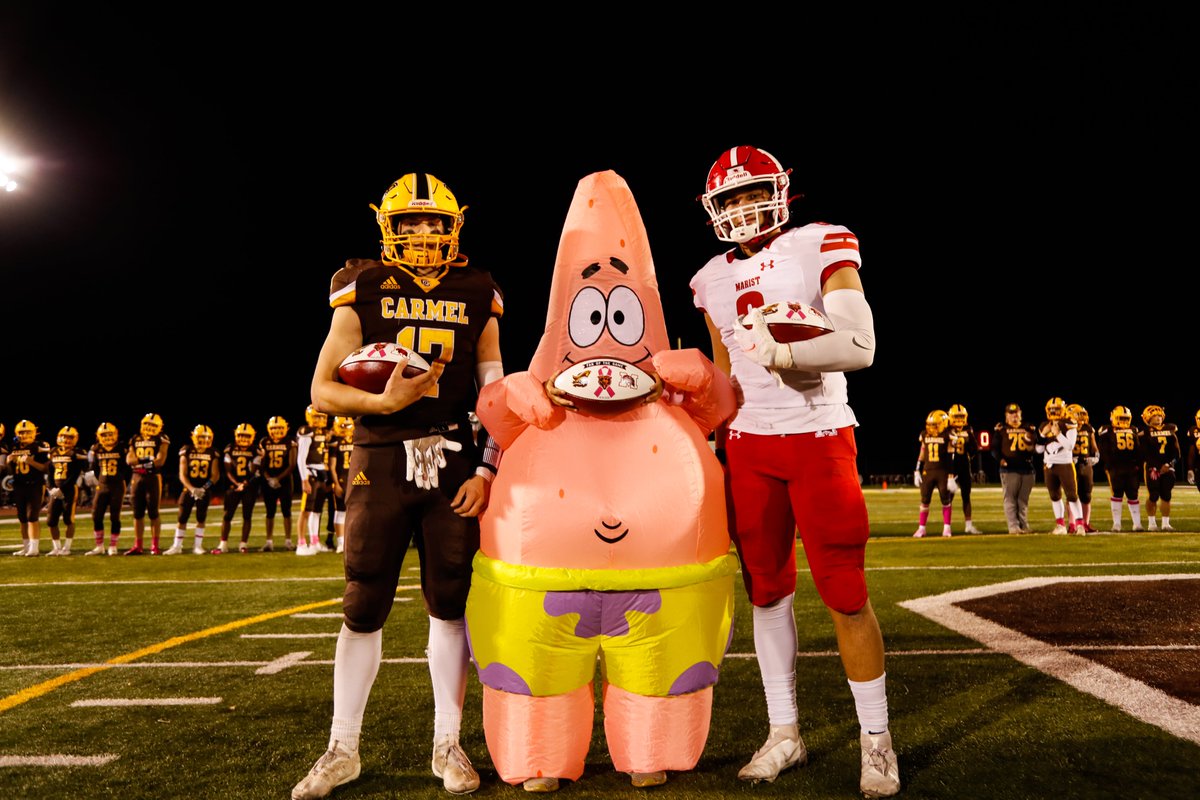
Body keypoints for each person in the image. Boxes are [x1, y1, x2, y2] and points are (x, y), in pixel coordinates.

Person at [690, 145, 898, 797]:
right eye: (732, 199)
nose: (746, 208)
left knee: (844, 590)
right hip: (750, 446)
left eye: (755, 194)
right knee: (767, 591)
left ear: (780, 193)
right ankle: (785, 731)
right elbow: (723, 375)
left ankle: (876, 739)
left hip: (818, 435)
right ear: (715, 211)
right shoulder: (708, 280)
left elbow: (859, 345)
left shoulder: (822, 242)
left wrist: (783, 350)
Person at [292, 171, 504, 799]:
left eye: (433, 222)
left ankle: (448, 743)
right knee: (363, 602)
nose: (421, 234)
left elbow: (495, 392)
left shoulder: (478, 288)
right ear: (387, 229)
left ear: (452, 227)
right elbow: (322, 390)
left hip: (455, 458)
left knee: (450, 600)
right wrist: (383, 404)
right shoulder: (361, 284)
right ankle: (342, 748)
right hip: (378, 456)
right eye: (408, 223)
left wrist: (489, 468)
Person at [165, 425, 222, 554]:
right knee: (182, 517)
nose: (204, 440)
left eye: (206, 437)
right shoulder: (187, 450)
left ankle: (197, 546)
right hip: (188, 489)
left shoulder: (213, 452)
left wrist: (203, 488)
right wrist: (192, 489)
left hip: (204, 490)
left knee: (201, 518)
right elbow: (182, 474)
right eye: (201, 437)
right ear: (194, 437)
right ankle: (177, 546)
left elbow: (215, 475)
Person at [1035, 397, 1084, 535]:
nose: (1054, 412)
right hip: (1049, 464)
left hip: (1064, 464)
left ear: (1062, 410)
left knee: (1072, 496)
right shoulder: (1044, 425)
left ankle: (1080, 525)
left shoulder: (1069, 423)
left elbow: (1069, 446)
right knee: (1054, 496)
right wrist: (1042, 435)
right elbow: (1038, 447)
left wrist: (1058, 434)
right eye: (1051, 410)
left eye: (1056, 409)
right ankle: (1060, 525)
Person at [125, 412, 170, 555]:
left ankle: (154, 546)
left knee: (153, 513)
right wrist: (147, 461)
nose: (149, 427)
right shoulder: (135, 438)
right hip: (137, 477)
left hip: (153, 478)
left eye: (152, 425)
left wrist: (140, 463)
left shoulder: (162, 438)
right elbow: (129, 460)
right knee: (137, 513)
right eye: (147, 424)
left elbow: (160, 461)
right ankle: (138, 545)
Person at [1095, 405, 1144, 532]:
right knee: (1117, 494)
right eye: (1121, 418)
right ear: (1113, 417)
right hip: (1116, 467)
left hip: (1131, 466)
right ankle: (1117, 524)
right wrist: (1109, 464)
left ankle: (1137, 523)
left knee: (1133, 495)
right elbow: (1104, 449)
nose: (1123, 421)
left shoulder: (1133, 429)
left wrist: (1138, 464)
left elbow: (1138, 449)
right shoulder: (1107, 430)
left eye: (1125, 418)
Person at [7, 420, 51, 556]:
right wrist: (9, 462)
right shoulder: (14, 447)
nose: (24, 435)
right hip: (19, 485)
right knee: (22, 518)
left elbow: (46, 469)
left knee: (32, 517)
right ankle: (26, 547)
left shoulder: (41, 446)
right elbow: (10, 472)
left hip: (35, 484)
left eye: (26, 432)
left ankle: (34, 548)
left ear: (33, 432)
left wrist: (31, 462)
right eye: (21, 432)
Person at [991, 403, 1037, 534]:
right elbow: (994, 448)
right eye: (1011, 414)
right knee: (1010, 499)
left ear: (1020, 414)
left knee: (1023, 500)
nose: (1014, 416)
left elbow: (1035, 447)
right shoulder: (1001, 429)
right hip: (1009, 469)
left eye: (1016, 413)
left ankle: (1023, 525)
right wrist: (1000, 460)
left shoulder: (1028, 428)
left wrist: (1031, 441)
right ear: (1006, 416)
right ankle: (1013, 526)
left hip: (1027, 468)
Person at [217, 423, 260, 553]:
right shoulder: (229, 449)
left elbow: (254, 471)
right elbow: (228, 471)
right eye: (241, 435)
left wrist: (245, 483)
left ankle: (243, 543)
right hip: (233, 486)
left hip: (250, 486)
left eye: (246, 436)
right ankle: (223, 543)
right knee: (227, 515)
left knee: (247, 516)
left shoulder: (255, 450)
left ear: (252, 437)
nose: (243, 438)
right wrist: (237, 484)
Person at [45, 426, 89, 555]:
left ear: (75, 439)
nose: (66, 439)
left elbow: (76, 473)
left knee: (68, 519)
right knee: (51, 520)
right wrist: (52, 488)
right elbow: (50, 472)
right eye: (64, 436)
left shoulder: (78, 452)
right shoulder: (54, 451)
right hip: (55, 489)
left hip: (69, 489)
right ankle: (57, 548)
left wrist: (62, 489)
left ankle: (67, 548)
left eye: (70, 437)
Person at [84, 422, 126, 555]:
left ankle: (113, 546)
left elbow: (127, 468)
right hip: (102, 486)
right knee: (96, 516)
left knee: (115, 517)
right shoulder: (96, 448)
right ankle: (100, 546)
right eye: (104, 434)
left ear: (115, 434)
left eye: (109, 434)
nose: (107, 437)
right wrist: (97, 481)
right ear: (98, 436)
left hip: (117, 485)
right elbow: (94, 468)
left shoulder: (121, 448)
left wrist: (124, 481)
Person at [295, 404, 332, 556]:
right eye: (317, 416)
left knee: (316, 510)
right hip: (310, 473)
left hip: (321, 473)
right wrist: (304, 479)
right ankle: (301, 543)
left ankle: (314, 541)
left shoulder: (321, 432)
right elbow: (301, 458)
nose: (320, 420)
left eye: (322, 417)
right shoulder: (306, 431)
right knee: (305, 511)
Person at [1138, 404, 1181, 532]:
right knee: (1153, 494)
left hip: (1167, 466)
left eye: (1159, 415)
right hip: (1153, 467)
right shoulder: (1144, 433)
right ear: (1148, 418)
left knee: (1166, 495)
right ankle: (1151, 523)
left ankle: (1165, 523)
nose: (1158, 418)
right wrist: (1157, 466)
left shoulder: (1170, 429)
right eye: (1154, 416)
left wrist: (1169, 464)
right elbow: (1144, 453)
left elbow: (1176, 451)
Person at [913, 410, 955, 538]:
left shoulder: (948, 435)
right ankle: (921, 528)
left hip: (942, 471)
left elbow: (950, 456)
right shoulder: (924, 435)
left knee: (945, 499)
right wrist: (917, 470)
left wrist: (951, 475)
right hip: (928, 471)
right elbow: (922, 452)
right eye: (930, 424)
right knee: (924, 500)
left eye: (935, 424)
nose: (931, 427)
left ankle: (947, 528)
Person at [258, 415, 297, 552]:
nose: (277, 430)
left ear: (286, 428)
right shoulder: (264, 442)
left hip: (285, 481)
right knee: (270, 512)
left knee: (287, 511)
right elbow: (261, 464)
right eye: (274, 428)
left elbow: (292, 464)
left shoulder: (290, 441)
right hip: (268, 481)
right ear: (269, 429)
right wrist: (269, 478)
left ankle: (288, 541)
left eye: (280, 427)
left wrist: (278, 479)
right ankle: (269, 542)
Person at [945, 403, 982, 534]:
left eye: (961, 417)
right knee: (949, 498)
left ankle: (968, 525)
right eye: (957, 416)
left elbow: (974, 449)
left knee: (966, 496)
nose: (959, 420)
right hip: (951, 468)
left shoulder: (967, 429)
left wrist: (971, 449)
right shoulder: (946, 429)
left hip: (964, 466)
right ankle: (947, 526)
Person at [1067, 404, 1100, 532]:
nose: (1081, 416)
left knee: (1086, 495)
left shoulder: (1088, 428)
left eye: (1081, 414)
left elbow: (1094, 446)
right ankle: (1072, 524)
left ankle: (1085, 524)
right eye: (1077, 414)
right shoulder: (1066, 426)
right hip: (1071, 464)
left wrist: (1096, 456)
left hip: (1085, 463)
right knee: (1072, 495)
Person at [325, 416, 354, 554]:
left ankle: (350, 540)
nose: (345, 429)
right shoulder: (335, 442)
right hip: (342, 480)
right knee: (340, 511)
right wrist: (335, 483)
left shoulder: (357, 440)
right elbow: (332, 466)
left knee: (354, 512)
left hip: (355, 480)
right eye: (342, 426)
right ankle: (341, 543)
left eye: (347, 426)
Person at [1186, 409, 1200, 491]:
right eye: (1199, 418)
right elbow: (1192, 451)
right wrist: (1190, 468)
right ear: (1195, 418)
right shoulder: (1193, 430)